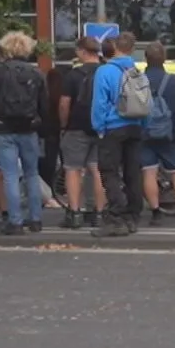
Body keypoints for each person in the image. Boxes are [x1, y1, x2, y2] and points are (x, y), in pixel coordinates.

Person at [0, 31, 47, 236]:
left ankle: (14, 221)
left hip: (3, 129)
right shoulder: (36, 74)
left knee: (10, 175)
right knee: (32, 174)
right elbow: (45, 105)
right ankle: (35, 219)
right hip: (29, 129)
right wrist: (38, 122)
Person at [90, 32, 146, 238]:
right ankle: (132, 215)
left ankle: (116, 216)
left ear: (114, 48)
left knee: (109, 171)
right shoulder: (137, 71)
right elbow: (146, 101)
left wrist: (99, 128)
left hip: (113, 127)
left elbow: (99, 104)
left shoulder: (105, 71)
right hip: (135, 126)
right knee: (133, 172)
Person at [140, 41, 175, 227]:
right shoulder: (174, 81)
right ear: (164, 58)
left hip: (145, 134)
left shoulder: (138, 80)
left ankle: (156, 213)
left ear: (146, 58)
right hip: (169, 134)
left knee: (149, 172)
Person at [59, 36, 106, 230]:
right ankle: (98, 213)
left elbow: (64, 104)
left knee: (73, 169)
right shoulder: (106, 73)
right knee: (97, 170)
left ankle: (75, 213)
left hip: (77, 126)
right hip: (102, 127)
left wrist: (64, 124)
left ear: (82, 52)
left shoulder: (73, 75)